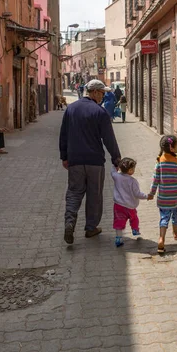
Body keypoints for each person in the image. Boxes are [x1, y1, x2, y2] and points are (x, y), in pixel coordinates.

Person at [59, 79, 122, 244]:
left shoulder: (71, 109)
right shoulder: (100, 112)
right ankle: (91, 228)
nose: (102, 97)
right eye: (101, 93)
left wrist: (64, 156)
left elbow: (63, 134)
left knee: (74, 193)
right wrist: (116, 159)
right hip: (95, 162)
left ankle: (69, 222)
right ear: (94, 92)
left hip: (75, 160)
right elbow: (109, 139)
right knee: (95, 195)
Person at [148, 135, 177, 253]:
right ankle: (175, 233)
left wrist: (151, 193)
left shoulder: (159, 162)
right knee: (175, 214)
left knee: (164, 217)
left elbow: (155, 180)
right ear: (172, 148)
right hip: (175, 196)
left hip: (164, 197)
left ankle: (161, 239)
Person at [111, 158, 153, 247]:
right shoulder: (133, 181)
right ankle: (135, 229)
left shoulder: (116, 176)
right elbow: (137, 194)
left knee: (118, 221)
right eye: (133, 168)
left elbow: (112, 172)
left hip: (118, 205)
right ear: (130, 170)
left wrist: (114, 166)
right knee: (134, 218)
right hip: (130, 206)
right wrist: (146, 196)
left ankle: (118, 238)